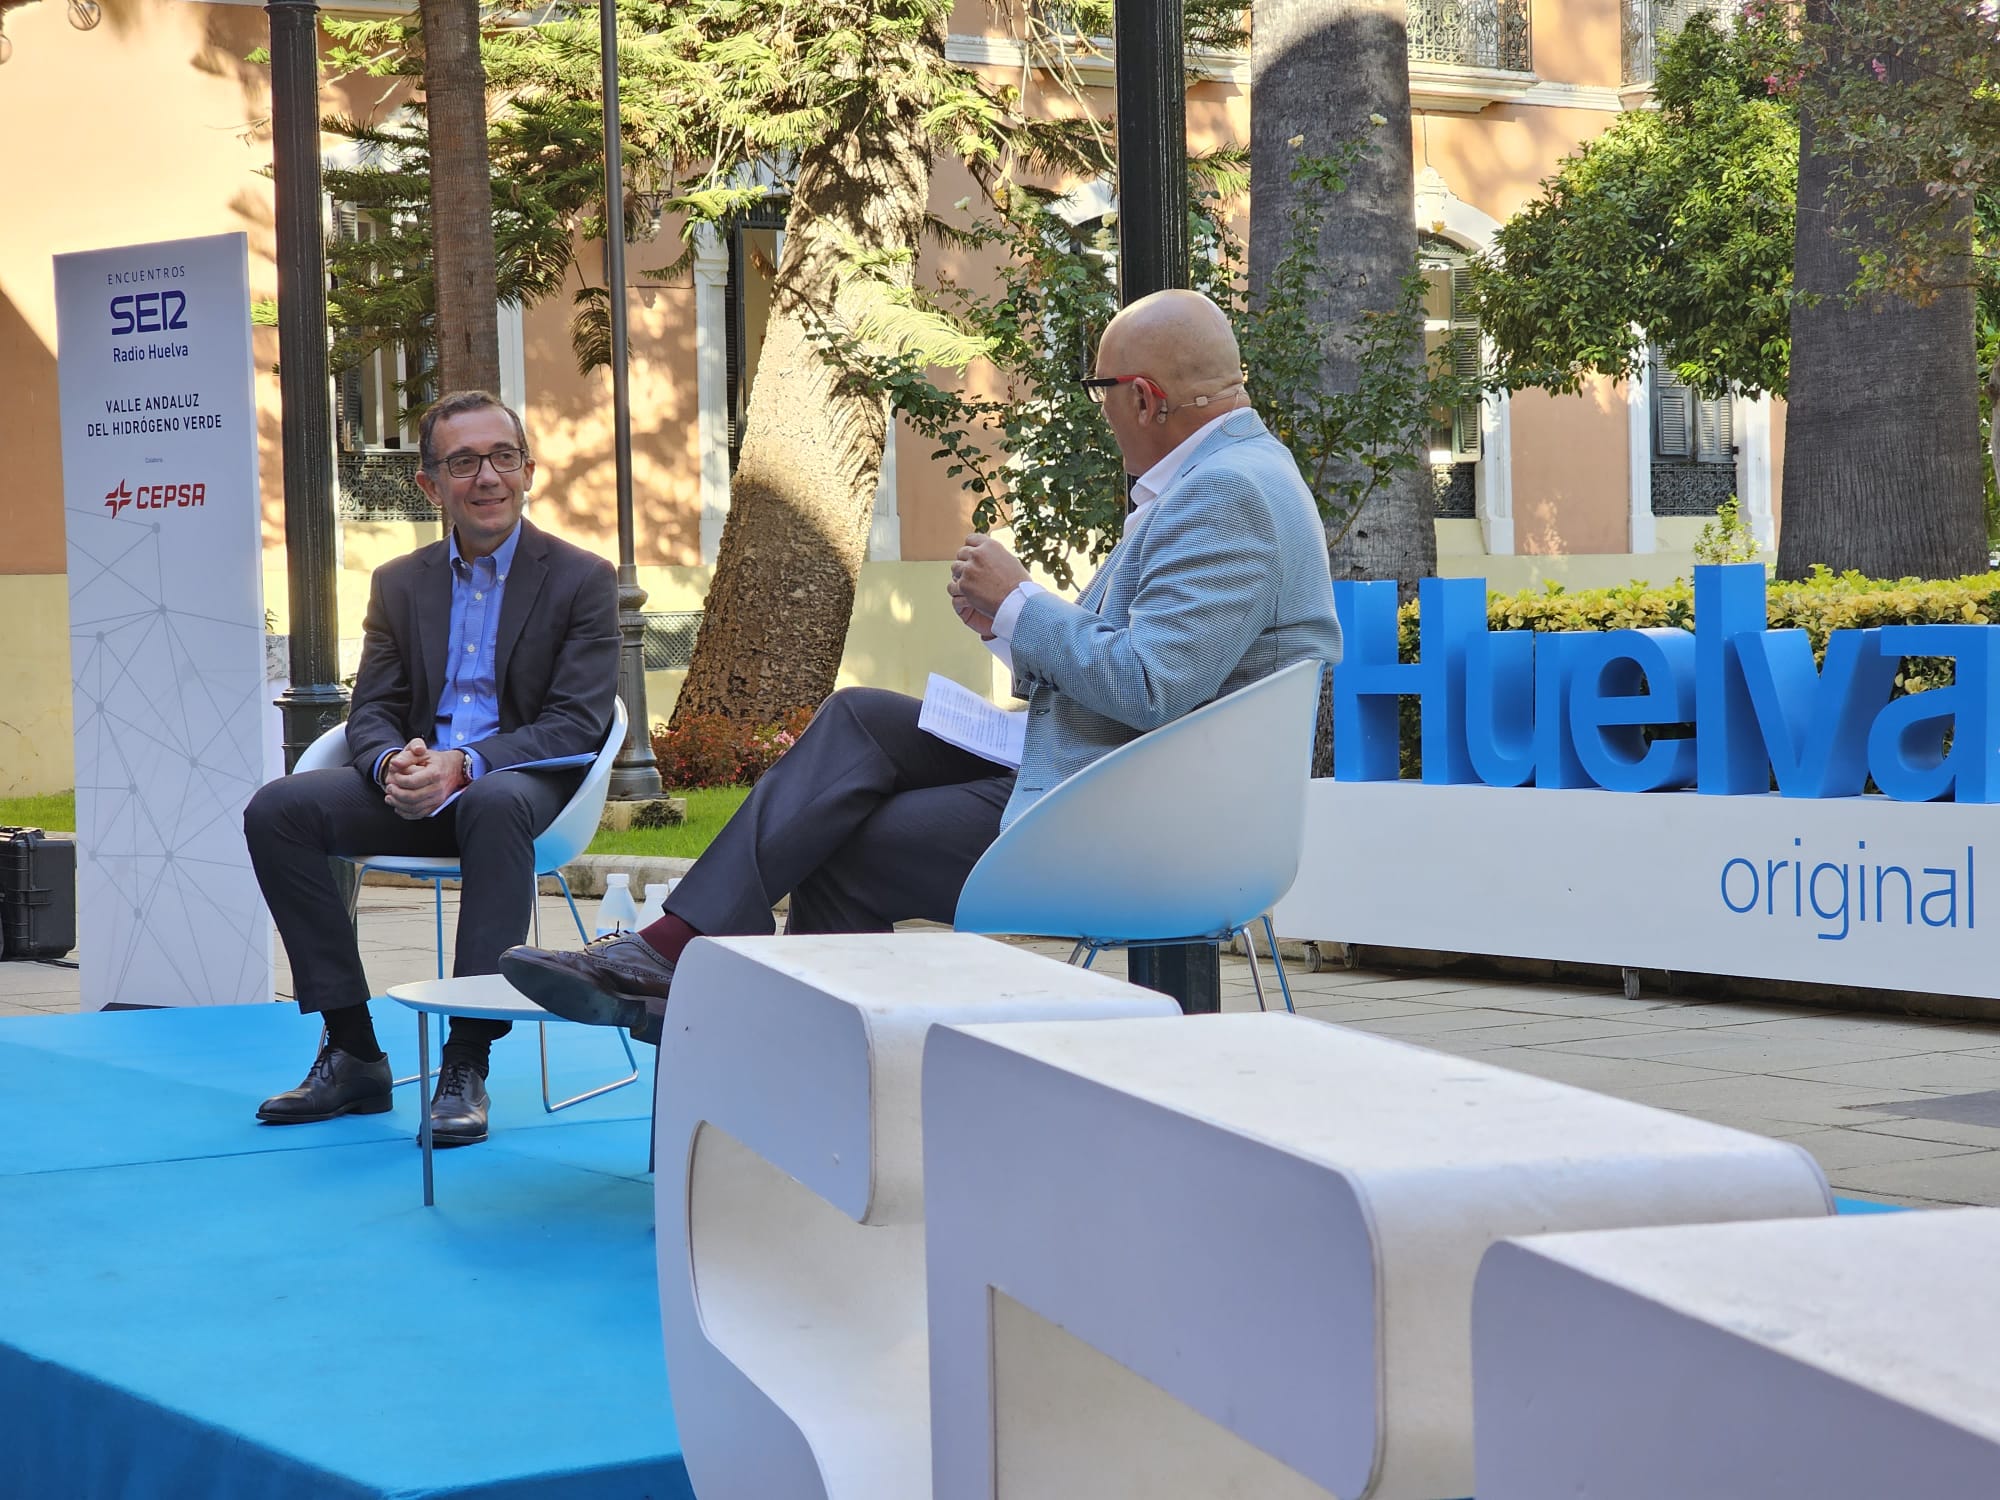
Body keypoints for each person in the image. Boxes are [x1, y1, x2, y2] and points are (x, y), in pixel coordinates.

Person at [499, 288, 1342, 1031]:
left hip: (1145, 819)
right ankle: (684, 959)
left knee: (845, 841)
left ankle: (731, 1018)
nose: (1102, 410)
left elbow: (1153, 685)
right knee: (860, 716)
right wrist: (1007, 630)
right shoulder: (1227, 477)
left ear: (1147, 398)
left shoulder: (1229, 492)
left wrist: (1023, 601)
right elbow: (1149, 667)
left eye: (1103, 392)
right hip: (1114, 776)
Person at [244, 390, 618, 1145]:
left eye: (504, 457)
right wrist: (391, 763)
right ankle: (353, 1050)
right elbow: (374, 707)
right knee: (276, 810)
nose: (488, 477)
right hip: (419, 784)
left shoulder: (582, 577)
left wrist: (465, 764)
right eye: (464, 462)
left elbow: (577, 720)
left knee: (492, 802)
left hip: (524, 784)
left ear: (528, 470)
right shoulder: (399, 582)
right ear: (430, 484)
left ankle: (466, 1061)